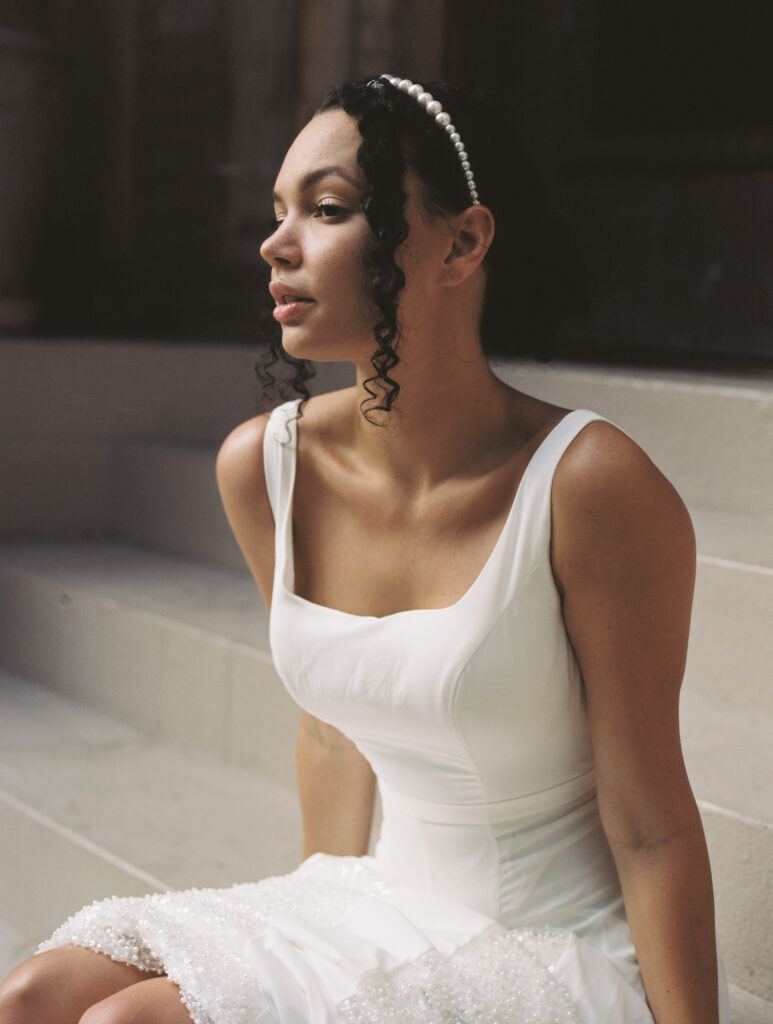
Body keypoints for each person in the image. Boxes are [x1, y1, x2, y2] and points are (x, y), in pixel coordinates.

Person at [0, 74, 728, 1024]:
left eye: (328, 208)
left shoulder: (588, 484)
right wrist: (303, 943)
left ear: (460, 244)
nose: (276, 243)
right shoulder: (266, 465)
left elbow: (651, 825)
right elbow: (331, 734)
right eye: (278, 211)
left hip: (553, 946)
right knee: (33, 996)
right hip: (379, 902)